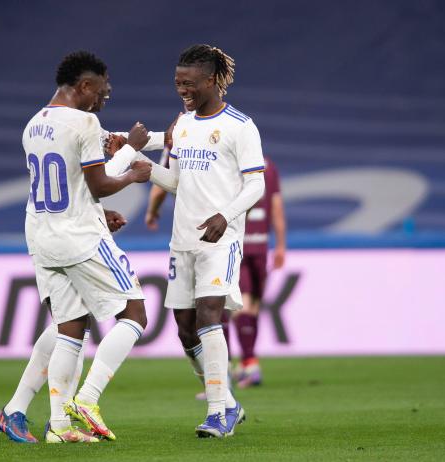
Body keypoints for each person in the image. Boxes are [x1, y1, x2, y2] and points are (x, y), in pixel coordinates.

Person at [0, 50, 153, 444]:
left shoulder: (33, 124)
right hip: (77, 237)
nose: (104, 98)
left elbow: (70, 184)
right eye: (102, 91)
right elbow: (97, 184)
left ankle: (47, 423)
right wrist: (133, 168)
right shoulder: (84, 121)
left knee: (71, 328)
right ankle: (87, 399)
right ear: (84, 86)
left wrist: (101, 206)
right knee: (134, 313)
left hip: (42, 234)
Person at [141, 44, 266, 438]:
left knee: (210, 311)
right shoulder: (182, 125)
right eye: (178, 83)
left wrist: (225, 216)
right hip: (184, 239)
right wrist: (145, 169)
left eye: (190, 83)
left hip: (221, 238)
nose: (183, 90)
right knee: (184, 327)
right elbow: (177, 182)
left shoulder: (240, 126)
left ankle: (218, 413)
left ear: (212, 80)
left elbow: (257, 184)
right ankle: (227, 400)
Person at [232, 156, 286, 388]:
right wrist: (281, 245)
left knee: (239, 305)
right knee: (253, 305)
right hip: (262, 245)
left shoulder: (233, 164)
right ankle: (248, 364)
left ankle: (249, 362)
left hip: (240, 244)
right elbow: (276, 208)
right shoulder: (270, 166)